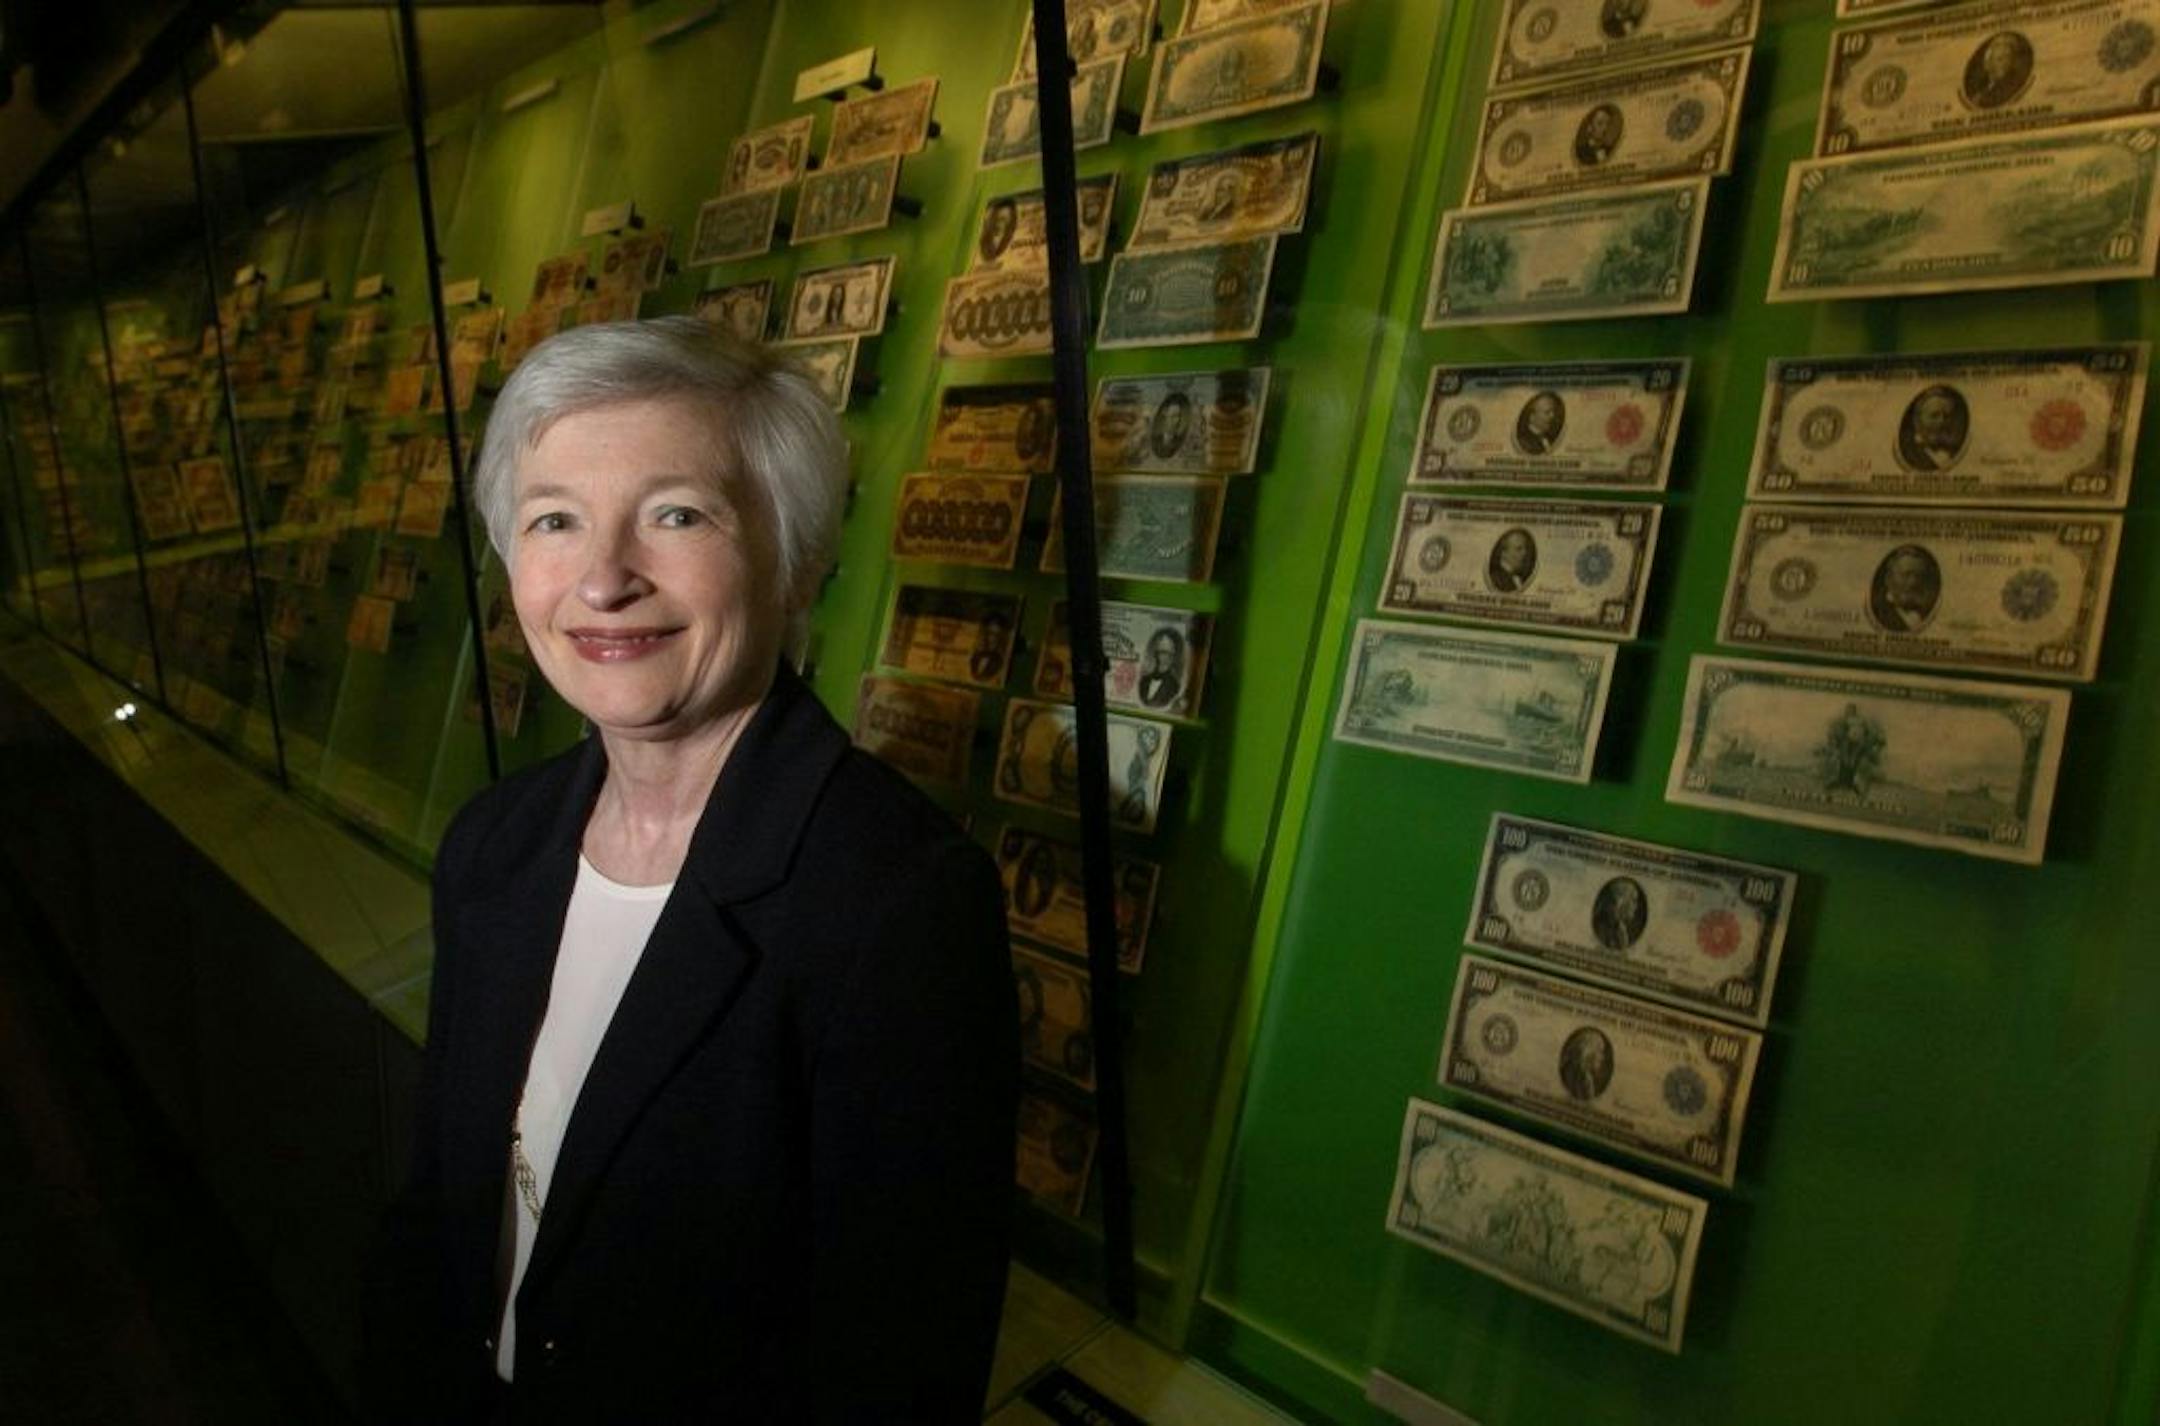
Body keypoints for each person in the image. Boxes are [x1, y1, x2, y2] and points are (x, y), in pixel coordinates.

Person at [362, 318, 1018, 1424]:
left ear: (797, 556)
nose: (605, 579)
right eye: (555, 520)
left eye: (675, 513)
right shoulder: (493, 845)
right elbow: (442, 1204)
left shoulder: (896, 903)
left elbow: (898, 1361)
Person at [1870, 543, 1943, 632]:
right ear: (1888, 579)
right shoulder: (1879, 612)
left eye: (1919, 576)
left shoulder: (1927, 612)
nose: (1913, 582)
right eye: (1905, 575)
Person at [1897, 385, 1970, 472]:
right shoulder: (1908, 452)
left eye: (1947, 416)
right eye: (1934, 415)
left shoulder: (1956, 449)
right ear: (1917, 420)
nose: (1941, 422)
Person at [1963, 31, 2034, 110]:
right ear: (1988, 62)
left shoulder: (2013, 84)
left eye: (2009, 58)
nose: (2005, 63)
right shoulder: (1981, 85)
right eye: (2000, 59)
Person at [1591, 877, 1648, 952]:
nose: (1636, 906)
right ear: (1621, 902)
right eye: (1633, 900)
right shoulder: (1601, 926)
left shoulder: (1620, 927)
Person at [1559, 1028, 1614, 1102]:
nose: (1602, 1057)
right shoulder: (1579, 1078)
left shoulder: (1585, 1077)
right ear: (1588, 1054)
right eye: (1600, 1051)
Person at [1138, 627, 1186, 710]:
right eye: (1162, 652)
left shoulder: (1174, 686)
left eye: (1169, 653)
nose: (1165, 657)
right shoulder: (1144, 681)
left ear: (1174, 656)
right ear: (1156, 653)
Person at [1514, 391, 1567, 455]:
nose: (1552, 416)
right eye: (1547, 412)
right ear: (1532, 417)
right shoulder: (1524, 441)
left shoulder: (1549, 437)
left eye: (1553, 412)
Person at [1489, 528, 1539, 593]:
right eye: (1519, 549)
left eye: (1525, 549)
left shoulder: (1518, 578)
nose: (1524, 553)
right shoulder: (1496, 580)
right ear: (1504, 553)